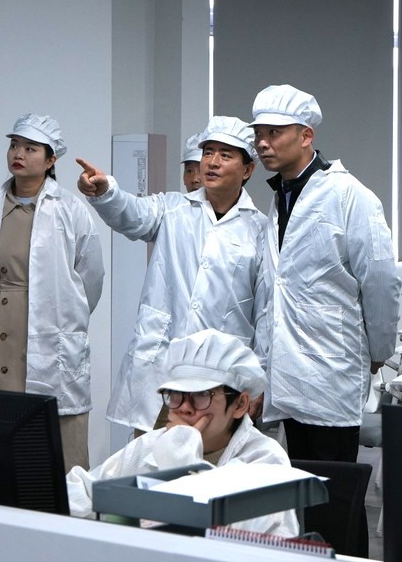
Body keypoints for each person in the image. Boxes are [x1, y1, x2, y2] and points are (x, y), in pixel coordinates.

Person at [76, 116, 268, 437]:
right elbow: (133, 214)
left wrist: (260, 379)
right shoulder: (173, 208)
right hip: (163, 373)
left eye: (225, 155)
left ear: (247, 169)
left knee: (213, 463)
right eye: (208, 153)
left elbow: (266, 313)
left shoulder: (260, 231)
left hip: (220, 377)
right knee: (152, 457)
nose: (212, 162)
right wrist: (106, 191)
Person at [251, 84, 401, 463]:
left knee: (335, 486)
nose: (263, 143)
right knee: (304, 484)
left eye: (274, 133)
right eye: (259, 134)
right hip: (289, 374)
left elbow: (380, 281)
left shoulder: (350, 195)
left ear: (306, 136)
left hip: (331, 370)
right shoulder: (282, 196)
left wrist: (380, 350)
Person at [65, 330, 298, 536]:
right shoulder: (151, 444)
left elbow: (222, 535)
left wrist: (181, 459)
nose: (184, 407)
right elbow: (84, 490)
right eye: (176, 395)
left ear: (240, 404)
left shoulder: (266, 460)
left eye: (202, 395)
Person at [0, 114, 105, 473]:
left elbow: (91, 279)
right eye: (14, 145)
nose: (18, 153)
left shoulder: (71, 210)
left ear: (51, 160)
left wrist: (65, 318)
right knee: (5, 435)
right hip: (4, 328)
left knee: (62, 446)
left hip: (52, 332)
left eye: (31, 148)